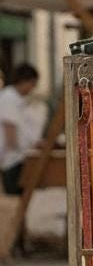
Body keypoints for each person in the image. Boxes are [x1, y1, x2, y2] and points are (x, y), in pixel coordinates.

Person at [0, 63, 40, 195]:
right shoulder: (8, 98)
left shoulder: (17, 98)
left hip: (18, 155)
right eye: (32, 84)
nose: (33, 88)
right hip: (13, 159)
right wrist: (20, 149)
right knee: (15, 197)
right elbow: (10, 130)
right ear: (24, 81)